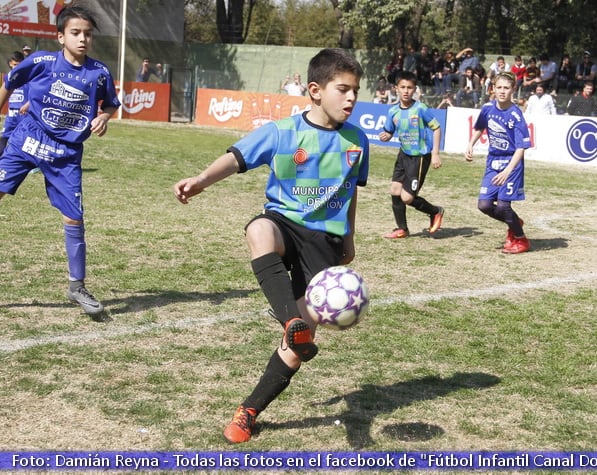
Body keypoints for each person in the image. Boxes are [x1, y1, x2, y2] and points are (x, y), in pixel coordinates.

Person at [173, 48, 369, 445]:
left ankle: (249, 410)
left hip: (326, 244)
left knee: (296, 350)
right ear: (315, 90)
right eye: (342, 89)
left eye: (355, 91)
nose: (351, 98)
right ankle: (288, 320)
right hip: (284, 223)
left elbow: (351, 193)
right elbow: (236, 158)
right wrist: (200, 181)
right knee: (259, 230)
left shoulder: (357, 140)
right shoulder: (282, 132)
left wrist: (349, 239)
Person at [0, 4, 122, 318]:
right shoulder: (41, 61)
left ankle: (77, 286)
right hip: (26, 141)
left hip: (65, 156)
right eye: (75, 33)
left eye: (88, 34)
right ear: (61, 36)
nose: (83, 39)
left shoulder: (99, 72)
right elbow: (10, 81)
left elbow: (111, 105)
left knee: (73, 219)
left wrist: (104, 117)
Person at [465, 72, 531, 254]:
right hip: (493, 161)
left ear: (513, 90)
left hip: (512, 163)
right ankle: (514, 222)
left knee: (503, 206)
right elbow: (480, 127)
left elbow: (521, 147)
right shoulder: (487, 108)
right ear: (492, 88)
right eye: (499, 87)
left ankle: (521, 239)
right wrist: (471, 144)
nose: (502, 91)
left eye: (506, 88)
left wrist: (508, 171)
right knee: (484, 205)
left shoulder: (516, 115)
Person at [380, 70, 444, 239]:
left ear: (415, 89)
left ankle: (435, 211)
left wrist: (435, 153)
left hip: (420, 157)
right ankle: (402, 229)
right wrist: (386, 136)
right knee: (394, 190)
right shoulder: (393, 111)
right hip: (403, 155)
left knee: (407, 197)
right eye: (403, 87)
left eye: (409, 87)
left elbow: (436, 128)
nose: (406, 91)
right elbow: (388, 131)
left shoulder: (421, 109)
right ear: (396, 89)